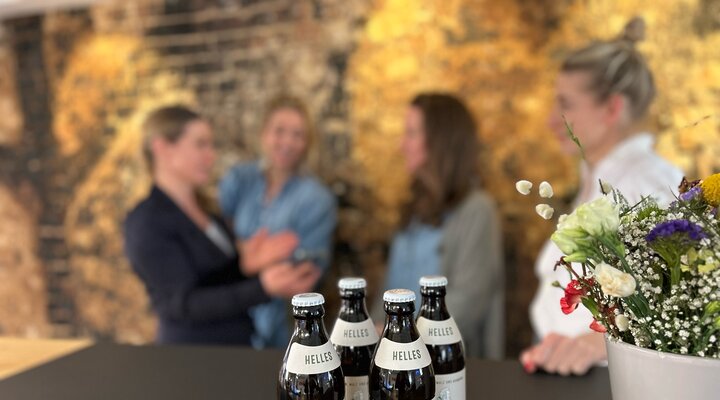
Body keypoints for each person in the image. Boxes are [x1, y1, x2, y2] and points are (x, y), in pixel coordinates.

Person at [521, 17, 684, 375]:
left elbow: (679, 305)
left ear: (612, 108)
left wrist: (596, 345)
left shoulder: (648, 185)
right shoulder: (602, 178)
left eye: (565, 103)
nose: (551, 120)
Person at [124, 106, 320, 345]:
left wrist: (248, 266)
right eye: (200, 144)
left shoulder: (208, 210)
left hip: (235, 346)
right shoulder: (147, 221)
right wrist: (263, 287)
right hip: (193, 355)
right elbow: (181, 304)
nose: (211, 155)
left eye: (211, 145)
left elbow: (216, 281)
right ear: (162, 147)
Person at [375, 93, 505, 359]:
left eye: (411, 133)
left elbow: (467, 304)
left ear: (440, 142)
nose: (402, 145)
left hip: (448, 366)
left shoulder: (478, 210)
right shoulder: (413, 208)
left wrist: (395, 336)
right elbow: (388, 292)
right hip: (396, 361)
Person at [218, 95, 337, 349]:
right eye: (279, 131)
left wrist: (245, 254)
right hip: (227, 316)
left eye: (297, 134)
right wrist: (255, 259)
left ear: (307, 143)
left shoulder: (317, 198)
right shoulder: (239, 179)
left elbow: (305, 277)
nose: (287, 142)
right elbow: (214, 245)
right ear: (263, 134)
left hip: (281, 326)